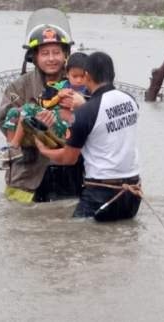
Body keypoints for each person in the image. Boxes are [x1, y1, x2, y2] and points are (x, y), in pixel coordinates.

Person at [35, 51, 142, 222]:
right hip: (133, 193)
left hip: (101, 192)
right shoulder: (131, 101)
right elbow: (108, 125)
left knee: (75, 236)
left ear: (87, 76)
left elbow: (68, 159)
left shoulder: (85, 113)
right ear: (113, 74)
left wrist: (44, 150)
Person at [0, 22, 85, 203]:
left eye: (56, 53)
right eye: (45, 53)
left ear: (66, 55)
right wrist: (34, 122)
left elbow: (98, 117)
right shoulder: (19, 86)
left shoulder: (78, 82)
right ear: (34, 57)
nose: (51, 59)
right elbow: (4, 120)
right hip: (28, 173)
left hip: (70, 169)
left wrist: (74, 110)